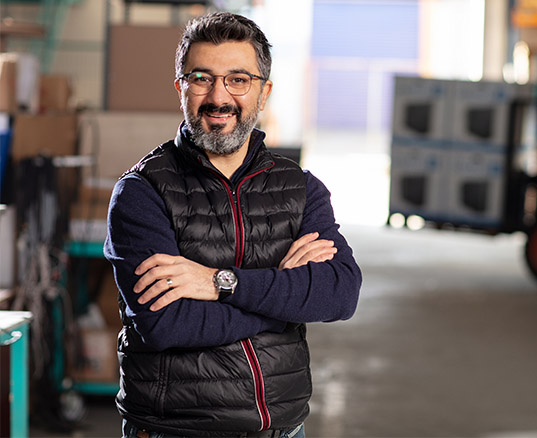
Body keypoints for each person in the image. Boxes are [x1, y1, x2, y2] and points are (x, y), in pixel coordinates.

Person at [104, 11, 362, 438]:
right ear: (180, 89)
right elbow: (167, 324)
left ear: (264, 93)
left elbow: (339, 292)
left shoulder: (298, 187)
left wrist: (222, 284)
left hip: (283, 427)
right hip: (180, 429)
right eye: (202, 78)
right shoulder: (142, 192)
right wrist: (282, 295)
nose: (219, 97)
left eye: (238, 80)